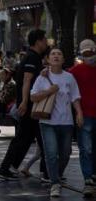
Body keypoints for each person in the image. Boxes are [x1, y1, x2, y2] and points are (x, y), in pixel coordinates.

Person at [0, 29, 48, 180]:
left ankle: (10, 167)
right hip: (30, 105)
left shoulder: (33, 57)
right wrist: (24, 102)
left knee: (27, 137)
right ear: (38, 41)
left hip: (31, 104)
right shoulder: (32, 58)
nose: (46, 43)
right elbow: (26, 81)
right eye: (44, 40)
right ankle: (6, 168)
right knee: (25, 138)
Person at [30, 48, 83, 197]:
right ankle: (54, 183)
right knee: (51, 154)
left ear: (63, 59)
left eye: (59, 54)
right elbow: (33, 97)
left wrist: (79, 112)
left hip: (66, 122)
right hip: (47, 122)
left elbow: (75, 97)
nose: (56, 56)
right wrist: (49, 91)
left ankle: (56, 176)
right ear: (48, 60)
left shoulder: (69, 78)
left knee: (66, 153)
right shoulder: (42, 77)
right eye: (53, 54)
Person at [69, 39, 96, 197]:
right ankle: (88, 179)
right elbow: (61, 76)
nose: (89, 56)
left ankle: (92, 177)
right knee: (86, 149)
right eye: (85, 54)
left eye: (91, 53)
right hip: (84, 115)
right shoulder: (76, 71)